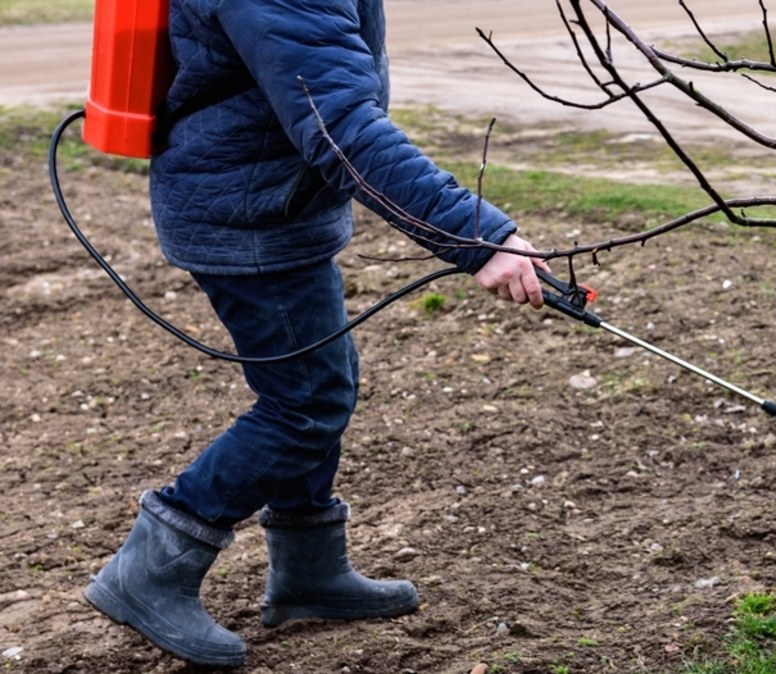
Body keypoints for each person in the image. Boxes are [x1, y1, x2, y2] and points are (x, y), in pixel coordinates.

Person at [82, 0, 547, 667]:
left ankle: (308, 571)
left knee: (321, 387)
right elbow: (339, 126)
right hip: (248, 216)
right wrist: (478, 236)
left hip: (270, 199)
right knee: (305, 404)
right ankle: (148, 570)